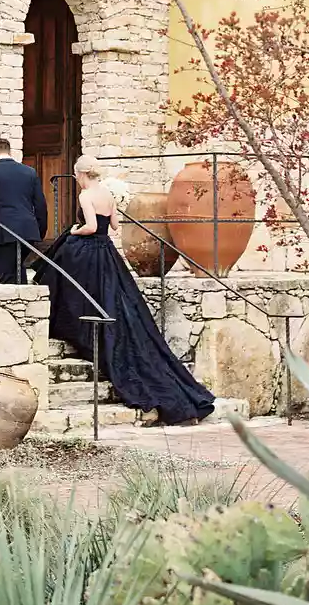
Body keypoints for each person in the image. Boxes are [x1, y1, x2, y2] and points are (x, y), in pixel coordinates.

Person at [34, 154, 215, 427]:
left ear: (81, 174)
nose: (76, 179)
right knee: (113, 301)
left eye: (76, 175)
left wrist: (75, 231)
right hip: (107, 253)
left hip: (89, 251)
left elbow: (92, 227)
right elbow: (115, 226)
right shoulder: (107, 193)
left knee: (62, 265)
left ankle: (68, 322)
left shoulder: (86, 196)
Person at [0, 138, 48, 284]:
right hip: (28, 230)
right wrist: (40, 230)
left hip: (6, 230)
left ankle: (13, 304)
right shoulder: (29, 172)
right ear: (9, 151)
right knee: (19, 268)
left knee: (7, 272)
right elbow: (40, 205)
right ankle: (23, 302)